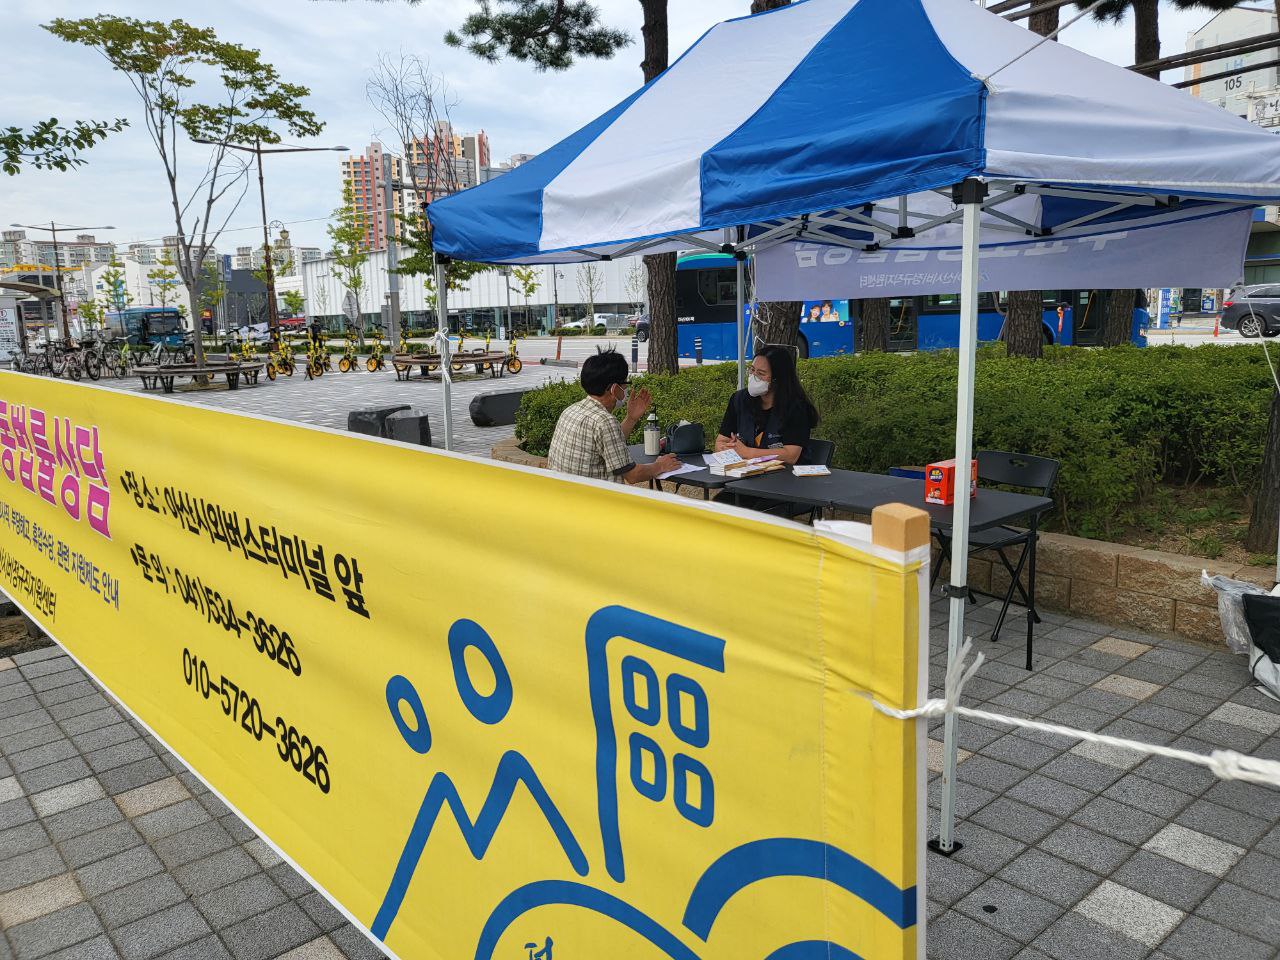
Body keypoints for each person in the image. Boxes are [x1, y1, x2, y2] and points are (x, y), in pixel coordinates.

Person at [548, 348, 681, 484]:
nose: (626, 390)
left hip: (567, 498)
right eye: (625, 385)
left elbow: (608, 443)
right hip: (595, 501)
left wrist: (631, 418)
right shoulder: (604, 421)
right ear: (614, 388)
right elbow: (632, 475)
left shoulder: (571, 410)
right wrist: (661, 465)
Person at [715, 345, 818, 466]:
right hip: (745, 475)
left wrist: (748, 452)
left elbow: (791, 456)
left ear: (777, 379)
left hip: (786, 479)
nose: (754, 376)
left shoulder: (796, 407)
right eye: (752, 370)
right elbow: (721, 441)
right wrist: (728, 449)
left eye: (761, 373)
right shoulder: (739, 400)